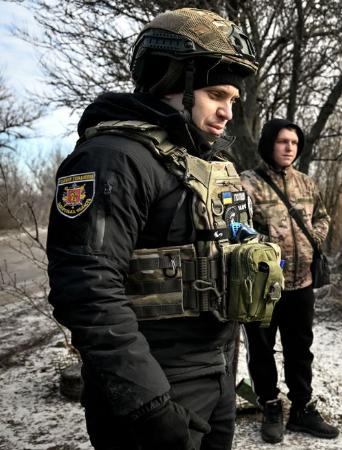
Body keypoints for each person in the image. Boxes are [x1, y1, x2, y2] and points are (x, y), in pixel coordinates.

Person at [47, 8, 261, 450]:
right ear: (171, 82)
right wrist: (147, 405)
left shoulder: (205, 162)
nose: (226, 112)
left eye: (233, 101)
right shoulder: (111, 159)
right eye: (215, 94)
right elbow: (87, 290)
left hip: (215, 371)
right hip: (156, 386)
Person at [239, 118, 338, 444]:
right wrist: (268, 248)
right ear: (269, 144)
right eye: (282, 141)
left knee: (300, 348)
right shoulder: (247, 183)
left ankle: (301, 409)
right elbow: (236, 228)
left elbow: (322, 218)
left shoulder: (307, 184)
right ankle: (269, 406)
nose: (288, 148)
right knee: (262, 348)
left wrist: (316, 241)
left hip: (301, 282)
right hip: (262, 286)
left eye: (294, 143)